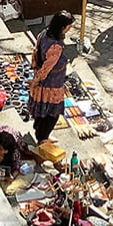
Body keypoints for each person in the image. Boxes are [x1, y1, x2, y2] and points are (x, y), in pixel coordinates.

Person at [28, 11, 74, 145]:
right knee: (52, 113)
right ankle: (43, 137)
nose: (68, 30)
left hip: (42, 79)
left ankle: (39, 132)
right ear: (61, 27)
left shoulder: (43, 34)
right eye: (68, 27)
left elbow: (35, 53)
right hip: (51, 84)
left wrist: (35, 71)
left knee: (41, 108)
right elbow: (47, 67)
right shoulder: (55, 47)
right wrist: (36, 81)